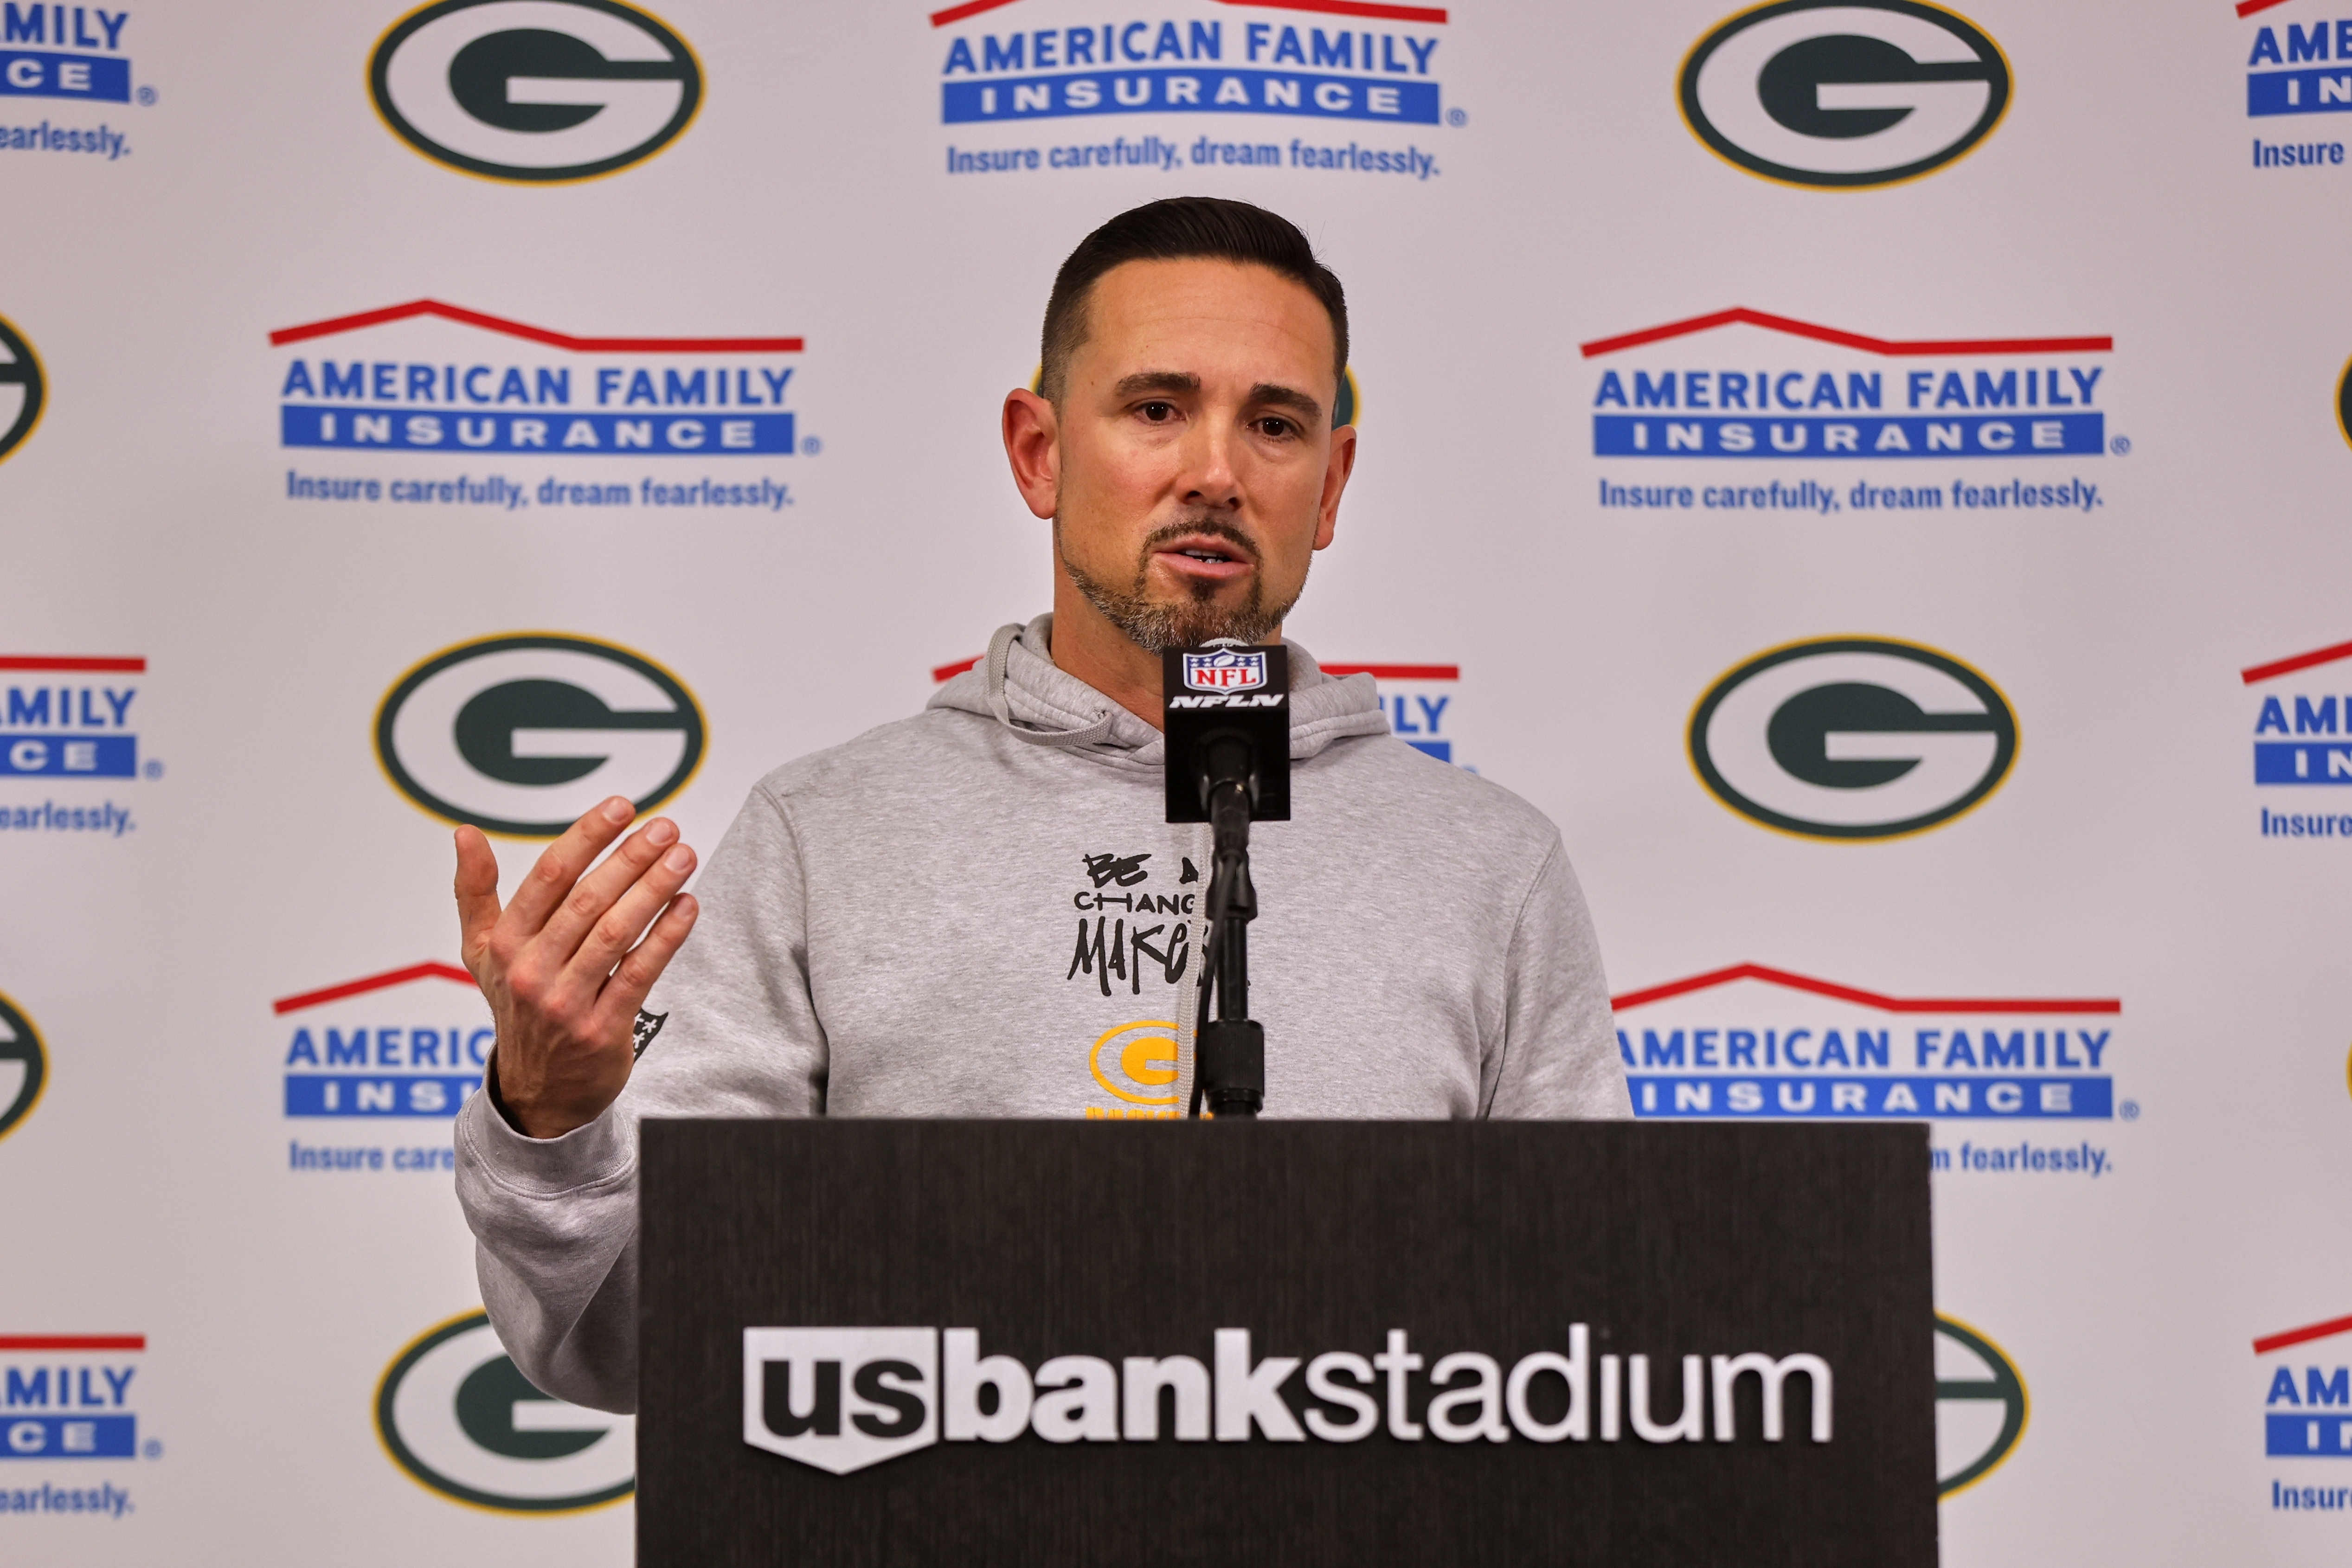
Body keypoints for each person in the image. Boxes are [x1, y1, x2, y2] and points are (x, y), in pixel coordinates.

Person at [451, 197, 1630, 1414]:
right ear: (1040, 451)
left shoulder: (1491, 869)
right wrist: (553, 1118)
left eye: (1275, 424)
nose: (1215, 472)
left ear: (1329, 486)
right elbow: (625, 1341)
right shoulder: (829, 838)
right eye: (1157, 408)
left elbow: (1594, 1347)